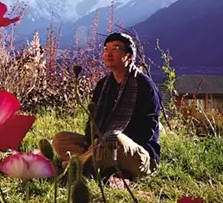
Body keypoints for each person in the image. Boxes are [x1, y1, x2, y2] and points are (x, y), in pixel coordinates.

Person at [52, 32, 161, 180]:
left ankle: (79, 164)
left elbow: (147, 131)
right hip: (101, 146)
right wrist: (93, 141)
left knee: (114, 139)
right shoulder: (103, 85)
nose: (109, 53)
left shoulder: (144, 86)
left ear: (129, 56)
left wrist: (106, 140)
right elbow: (92, 121)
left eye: (115, 48)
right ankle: (97, 163)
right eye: (106, 49)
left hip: (136, 153)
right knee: (60, 139)